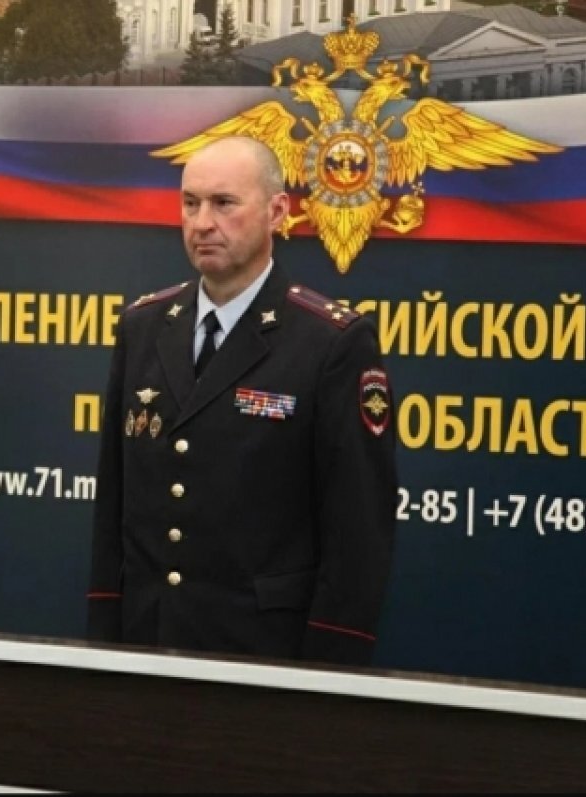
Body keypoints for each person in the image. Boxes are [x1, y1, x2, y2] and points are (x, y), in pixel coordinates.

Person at [87, 136, 397, 667]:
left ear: (277, 212)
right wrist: (103, 642)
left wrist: (330, 674)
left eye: (224, 203)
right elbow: (114, 505)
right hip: (147, 642)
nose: (202, 223)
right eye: (190, 203)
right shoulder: (144, 327)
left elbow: (358, 531)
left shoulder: (329, 342)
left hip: (266, 656)